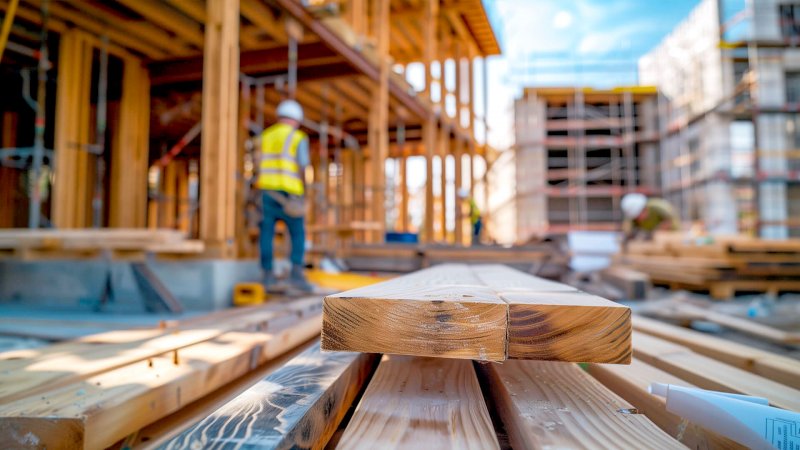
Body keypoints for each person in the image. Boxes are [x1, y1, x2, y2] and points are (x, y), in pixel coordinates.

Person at [257, 99, 313, 293]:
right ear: (296, 119)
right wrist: (305, 190)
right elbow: (303, 166)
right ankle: (296, 274)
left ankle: (267, 275)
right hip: (290, 193)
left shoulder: (265, 135)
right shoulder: (298, 137)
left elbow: (256, 162)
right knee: (297, 233)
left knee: (267, 233)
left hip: (267, 192)